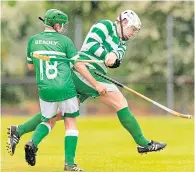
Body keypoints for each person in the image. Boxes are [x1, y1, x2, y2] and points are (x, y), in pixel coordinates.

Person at [7, 9, 166, 165]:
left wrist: (113, 59)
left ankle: (18, 130)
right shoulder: (104, 26)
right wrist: (106, 56)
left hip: (93, 74)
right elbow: (91, 45)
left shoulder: (122, 44)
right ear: (123, 23)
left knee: (56, 114)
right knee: (120, 101)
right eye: (132, 29)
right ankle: (142, 143)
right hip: (83, 71)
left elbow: (116, 57)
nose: (133, 33)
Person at [7, 9, 103, 171]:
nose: (63, 27)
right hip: (65, 88)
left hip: (45, 89)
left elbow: (31, 66)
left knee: (47, 120)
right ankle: (69, 164)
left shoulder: (33, 40)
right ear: (57, 25)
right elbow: (78, 65)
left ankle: (33, 143)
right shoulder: (65, 41)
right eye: (63, 24)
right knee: (70, 122)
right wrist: (96, 84)